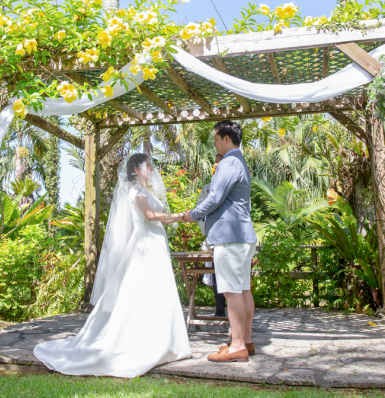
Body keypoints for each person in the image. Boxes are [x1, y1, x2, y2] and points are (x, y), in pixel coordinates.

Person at [33, 153, 191, 377]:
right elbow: (149, 215)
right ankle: (142, 340)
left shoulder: (146, 191)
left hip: (156, 243)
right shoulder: (135, 191)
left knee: (159, 291)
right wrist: (178, 215)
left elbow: (161, 218)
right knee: (142, 290)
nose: (152, 169)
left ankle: (167, 341)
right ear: (136, 170)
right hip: (144, 244)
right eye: (148, 166)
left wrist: (181, 217)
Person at [184, 120, 257, 363]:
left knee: (231, 291)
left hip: (229, 237)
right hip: (243, 236)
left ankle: (237, 346)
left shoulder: (229, 162)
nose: (214, 143)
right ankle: (245, 340)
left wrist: (192, 214)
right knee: (243, 289)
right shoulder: (241, 162)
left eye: (216, 138)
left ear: (227, 139)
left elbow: (214, 197)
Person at [196, 153, 227, 318]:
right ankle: (219, 310)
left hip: (229, 239)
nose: (216, 168)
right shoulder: (207, 188)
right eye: (215, 165)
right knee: (216, 275)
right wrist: (208, 231)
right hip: (212, 239)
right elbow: (200, 212)